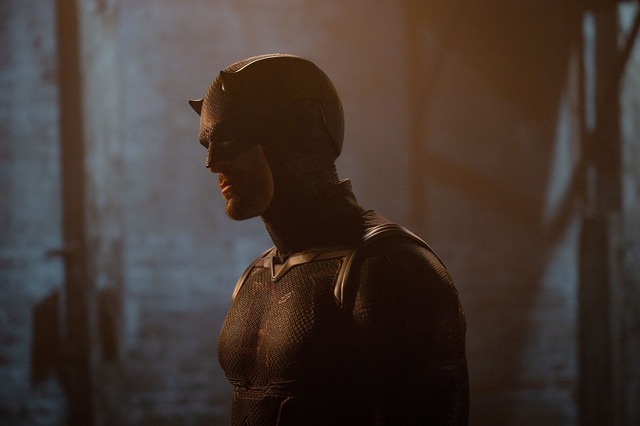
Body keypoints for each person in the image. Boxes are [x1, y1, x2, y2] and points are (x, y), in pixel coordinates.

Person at [189, 53, 469, 425]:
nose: (212, 162)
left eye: (231, 139)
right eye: (208, 144)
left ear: (300, 127)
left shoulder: (390, 268)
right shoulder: (256, 278)